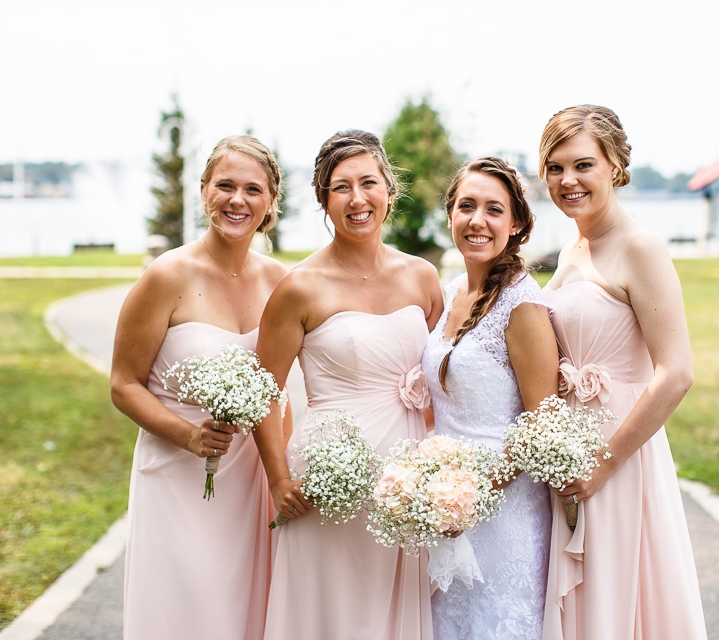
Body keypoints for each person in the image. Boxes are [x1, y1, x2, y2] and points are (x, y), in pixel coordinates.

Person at [253, 130, 443, 640]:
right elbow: (263, 391)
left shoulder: (423, 277)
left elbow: (445, 375)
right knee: (330, 613)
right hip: (328, 482)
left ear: (388, 190)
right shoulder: (299, 288)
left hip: (407, 482)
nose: (357, 199)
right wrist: (278, 479)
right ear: (323, 201)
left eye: (368, 183)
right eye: (341, 188)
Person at [537, 105, 708, 639]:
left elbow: (676, 373)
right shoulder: (571, 246)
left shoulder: (642, 248)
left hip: (618, 454)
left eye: (583, 165)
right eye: (555, 167)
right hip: (567, 451)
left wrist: (603, 466)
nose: (569, 180)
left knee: (616, 597)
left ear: (614, 165)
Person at [110, 135, 290, 640]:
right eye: (225, 186)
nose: (238, 200)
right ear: (204, 189)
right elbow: (124, 384)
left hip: (251, 478)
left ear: (271, 201)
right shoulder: (166, 276)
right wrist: (189, 435)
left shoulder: (281, 281)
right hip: (177, 476)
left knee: (246, 612)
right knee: (187, 609)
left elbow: (278, 391)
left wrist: (285, 474)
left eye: (253, 189)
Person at [421, 157, 559, 640]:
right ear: (451, 215)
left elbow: (540, 426)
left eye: (493, 210)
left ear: (516, 223)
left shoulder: (523, 306)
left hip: (504, 511)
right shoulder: (453, 290)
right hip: (445, 504)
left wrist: (469, 499)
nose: (477, 220)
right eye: (467, 206)